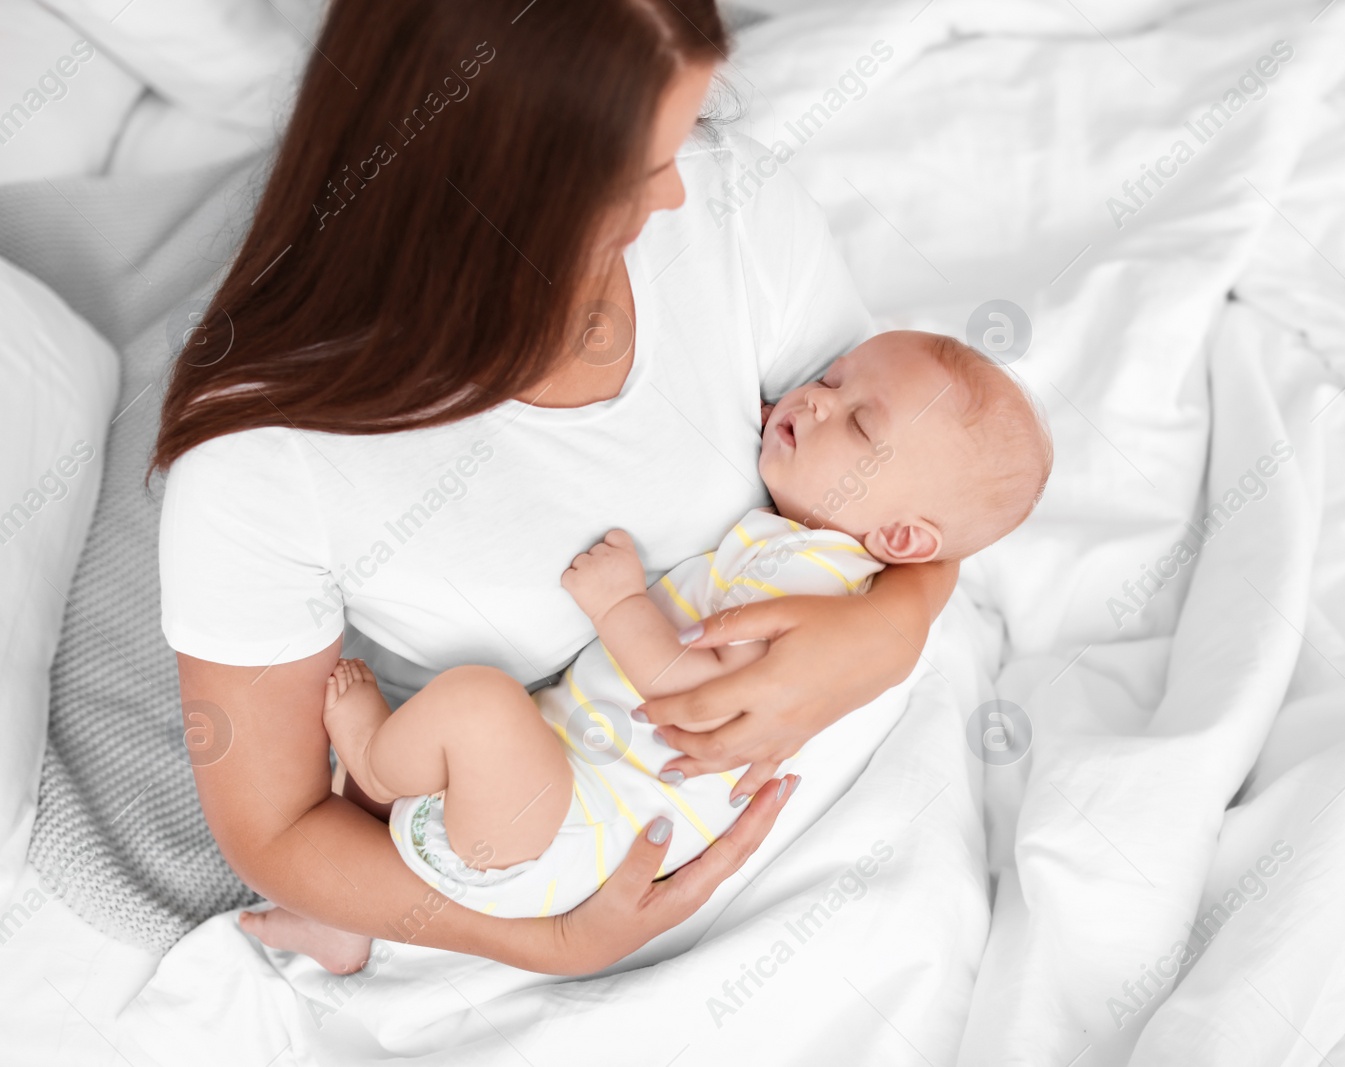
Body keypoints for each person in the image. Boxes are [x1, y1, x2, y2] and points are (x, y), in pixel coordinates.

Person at [153, 0, 961, 975]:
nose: (676, 197)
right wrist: (551, 944)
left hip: (835, 804)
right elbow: (276, 830)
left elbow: (916, 480)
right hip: (553, 845)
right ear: (493, 197)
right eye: (638, 174)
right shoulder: (265, 463)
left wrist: (893, 628)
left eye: (688, 136)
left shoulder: (730, 206)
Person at [291, 332, 1054, 973]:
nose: (816, 398)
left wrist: (620, 604)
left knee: (478, 704)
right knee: (484, 727)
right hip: (558, 790)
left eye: (858, 426)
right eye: (828, 377)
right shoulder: (815, 545)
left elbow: (696, 693)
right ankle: (341, 923)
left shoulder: (815, 579)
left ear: (900, 539)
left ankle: (369, 754)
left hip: (567, 833)